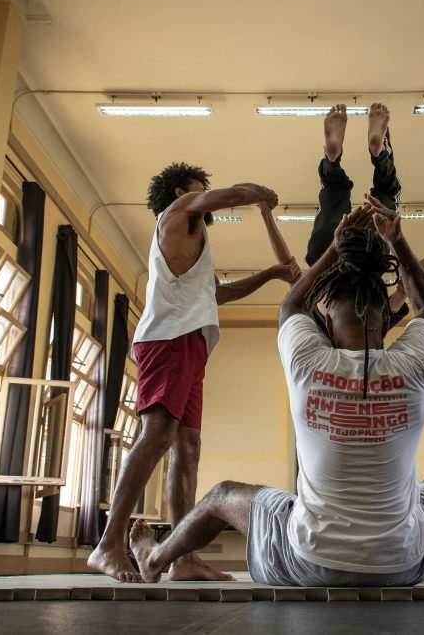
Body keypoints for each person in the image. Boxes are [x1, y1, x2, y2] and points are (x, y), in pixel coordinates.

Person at [126, 199, 424, 586]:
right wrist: (397, 240)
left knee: (223, 495)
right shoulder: (414, 366)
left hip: (306, 563)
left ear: (325, 322)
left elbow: (292, 305)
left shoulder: (307, 361)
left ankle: (156, 558)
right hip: (403, 565)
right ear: (389, 320)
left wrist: (334, 247)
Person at [88, 162, 299, 583]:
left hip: (191, 342)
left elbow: (218, 293)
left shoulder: (194, 245)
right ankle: (108, 544)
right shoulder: (177, 213)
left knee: (188, 445)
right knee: (158, 435)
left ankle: (181, 557)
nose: (205, 195)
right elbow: (225, 196)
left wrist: (273, 273)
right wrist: (257, 191)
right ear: (181, 193)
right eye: (200, 189)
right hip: (168, 339)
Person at [306, 103, 424, 319]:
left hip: (372, 257)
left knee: (387, 195)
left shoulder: (375, 326)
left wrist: (402, 242)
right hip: (324, 258)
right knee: (332, 194)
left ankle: (380, 154)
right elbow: (292, 303)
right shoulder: (312, 338)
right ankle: (332, 161)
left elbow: (406, 292)